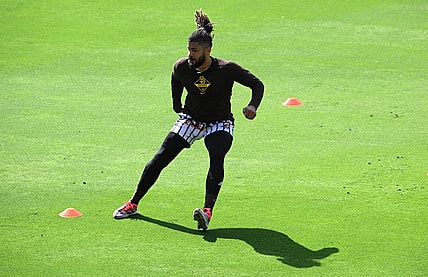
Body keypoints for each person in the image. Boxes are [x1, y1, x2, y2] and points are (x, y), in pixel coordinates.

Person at [113, 9, 264, 230]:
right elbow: (176, 78)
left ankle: (207, 211)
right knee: (160, 158)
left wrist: (252, 105)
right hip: (191, 119)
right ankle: (132, 203)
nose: (190, 54)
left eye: (194, 51)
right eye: (189, 50)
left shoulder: (226, 69)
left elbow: (257, 85)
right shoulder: (182, 66)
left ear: (208, 50)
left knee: (216, 152)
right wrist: (177, 103)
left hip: (219, 122)